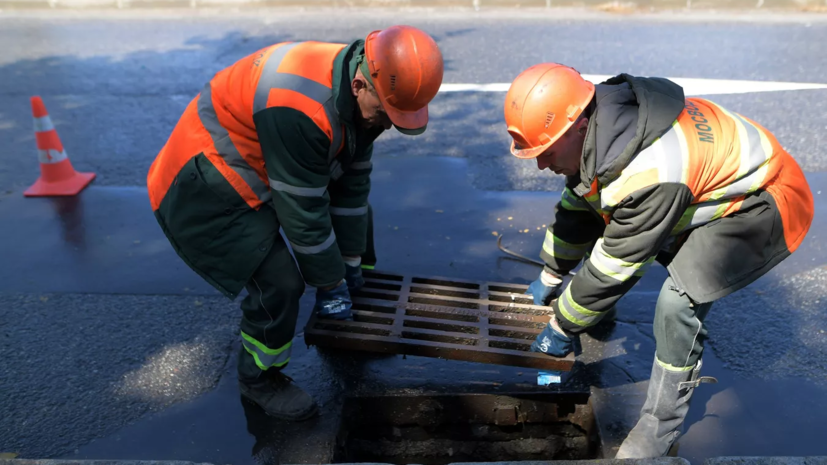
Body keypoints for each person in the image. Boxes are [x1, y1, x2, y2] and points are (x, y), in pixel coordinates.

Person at [503, 63, 814, 457]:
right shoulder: (604, 129)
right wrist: (552, 273)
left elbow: (618, 262)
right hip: (707, 181)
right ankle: (595, 310)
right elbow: (580, 204)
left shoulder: (650, 171)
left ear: (578, 125)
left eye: (545, 152)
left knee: (678, 300)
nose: (540, 165)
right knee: (607, 211)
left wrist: (563, 324)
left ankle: (660, 425)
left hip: (768, 201)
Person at [146, 26, 444, 421]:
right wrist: (329, 282)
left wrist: (351, 266)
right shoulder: (300, 106)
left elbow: (352, 186)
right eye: (387, 114)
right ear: (359, 85)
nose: (388, 125)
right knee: (279, 283)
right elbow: (303, 212)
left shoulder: (364, 84)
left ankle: (349, 308)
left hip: (264, 159)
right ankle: (259, 379)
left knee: (359, 223)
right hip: (204, 180)